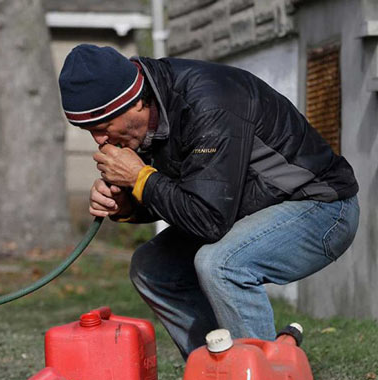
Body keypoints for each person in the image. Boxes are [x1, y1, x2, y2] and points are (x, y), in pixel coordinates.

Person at [58, 44, 359, 359]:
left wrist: (139, 179)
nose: (100, 141)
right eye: (89, 131)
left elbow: (208, 220)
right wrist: (127, 204)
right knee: (152, 267)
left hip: (324, 208)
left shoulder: (209, 103)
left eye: (103, 128)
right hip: (245, 210)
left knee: (222, 264)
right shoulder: (145, 121)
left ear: (135, 104)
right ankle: (213, 373)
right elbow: (189, 196)